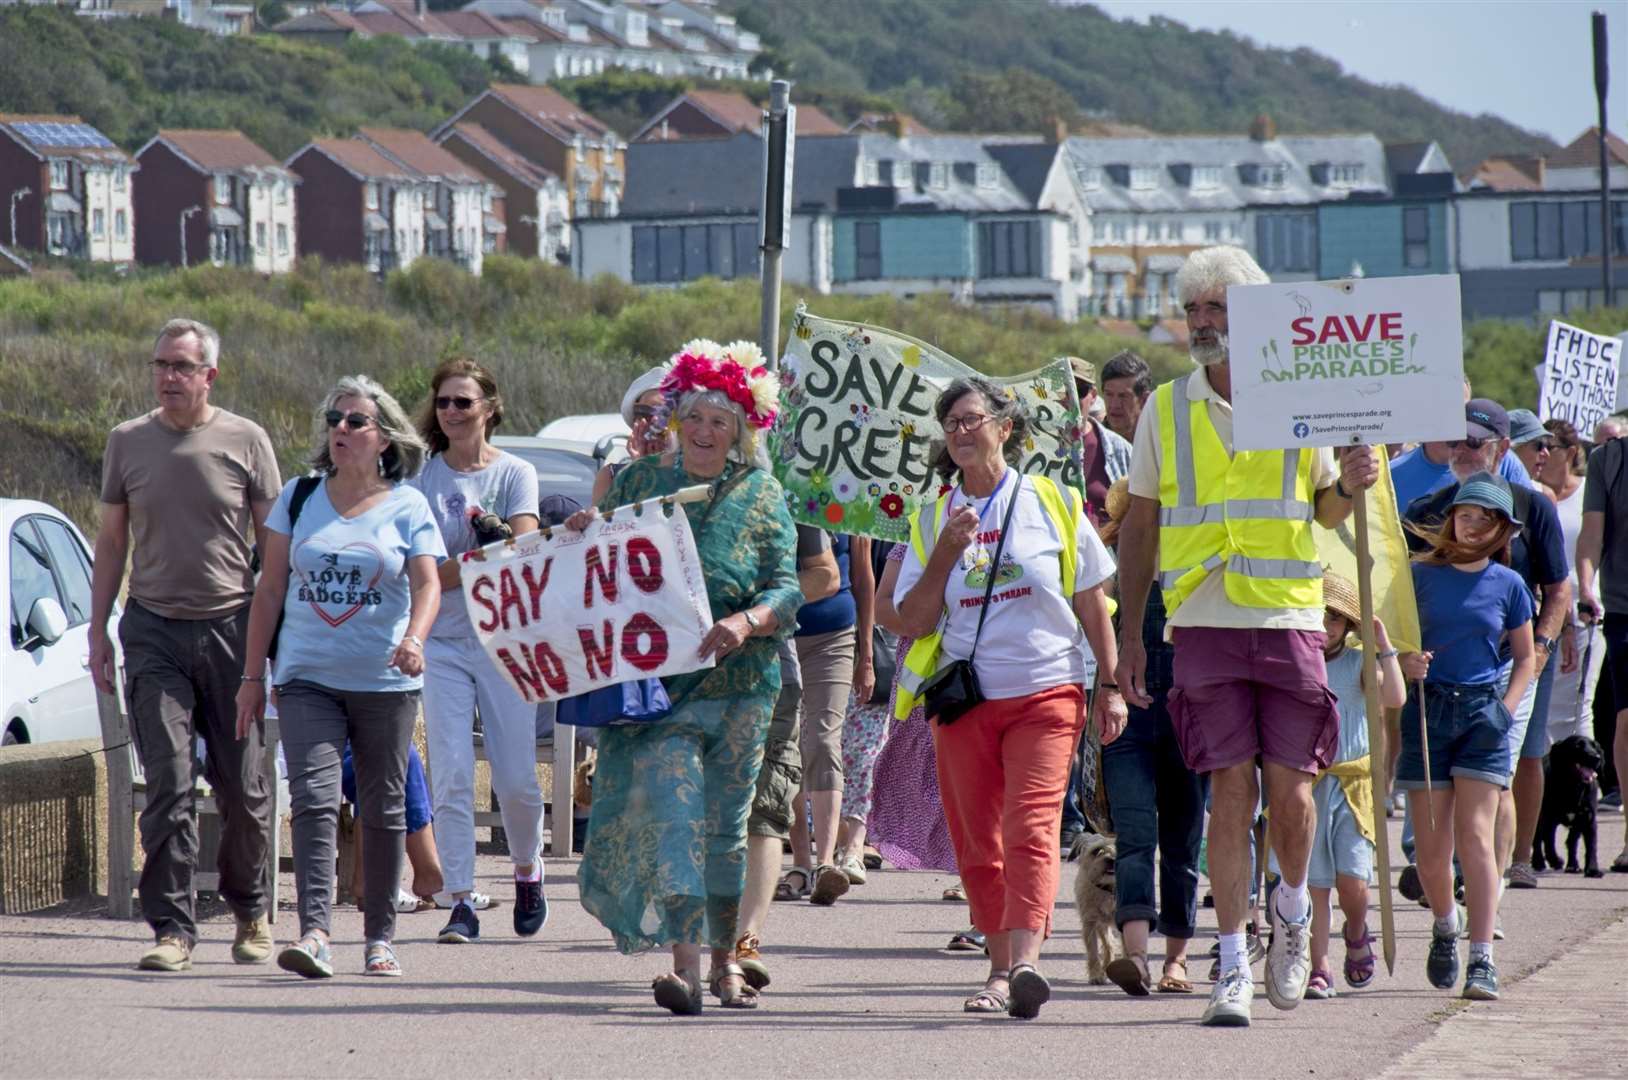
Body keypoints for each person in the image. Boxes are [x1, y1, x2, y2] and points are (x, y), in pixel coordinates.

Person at [1114, 246, 1380, 1027]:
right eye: (1194, 309)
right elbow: (1141, 526)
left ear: (1254, 317)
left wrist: (1350, 484)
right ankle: (1231, 960)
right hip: (1200, 618)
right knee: (1229, 791)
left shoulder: (1302, 391)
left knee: (1294, 793)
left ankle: (1292, 914)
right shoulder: (1165, 408)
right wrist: (1132, 633)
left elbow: (1324, 510)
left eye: (1218, 309)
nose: (1201, 322)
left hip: (1291, 615)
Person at [568, 339, 801, 1015]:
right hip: (660, 687)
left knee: (727, 828)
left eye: (719, 422)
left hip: (742, 686)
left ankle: (731, 964)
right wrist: (584, 531)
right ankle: (686, 969)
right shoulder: (641, 481)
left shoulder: (763, 493)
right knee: (674, 821)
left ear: (741, 431)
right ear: (676, 420)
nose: (704, 431)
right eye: (694, 417)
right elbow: (597, 566)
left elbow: (788, 586)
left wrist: (749, 622)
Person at [894, 375, 1125, 1021]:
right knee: (977, 843)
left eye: (972, 419)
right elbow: (910, 620)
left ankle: (1021, 964)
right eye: (951, 424)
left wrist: (1109, 685)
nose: (962, 432)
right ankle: (997, 969)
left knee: (1030, 828)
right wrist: (943, 554)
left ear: (1004, 425)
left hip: (1046, 692)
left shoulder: (1050, 499)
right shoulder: (931, 517)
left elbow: (1091, 600)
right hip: (965, 701)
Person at [88, 318, 283, 973]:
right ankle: (173, 928)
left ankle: (251, 912)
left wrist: (271, 636)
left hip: (231, 631)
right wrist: (98, 630)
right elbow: (112, 542)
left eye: (181, 366)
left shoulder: (246, 440)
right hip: (153, 631)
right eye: (160, 365)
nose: (168, 377)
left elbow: (274, 549)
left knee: (245, 789)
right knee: (169, 783)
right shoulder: (127, 443)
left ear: (209, 376)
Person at [234, 375, 443, 979]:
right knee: (315, 801)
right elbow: (269, 589)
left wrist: (414, 640)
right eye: (334, 419)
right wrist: (253, 675)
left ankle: (379, 936)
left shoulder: (408, 504)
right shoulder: (299, 497)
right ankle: (316, 933)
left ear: (384, 437)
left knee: (383, 808)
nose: (341, 430)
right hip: (306, 678)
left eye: (355, 421)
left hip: (387, 683)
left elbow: (428, 584)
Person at [1402, 399, 1570, 894]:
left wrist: (1539, 648)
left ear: (1499, 446)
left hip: (1508, 667)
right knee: (1440, 790)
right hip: (1439, 673)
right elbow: (1404, 597)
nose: (1462, 451)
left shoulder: (1532, 505)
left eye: (1473, 442)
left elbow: (1557, 588)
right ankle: (1444, 879)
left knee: (1495, 783)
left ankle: (1486, 894)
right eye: (1454, 441)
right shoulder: (1425, 512)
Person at [408, 358, 547, 945]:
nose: (452, 412)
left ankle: (527, 869)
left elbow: (526, 548)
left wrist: (469, 560)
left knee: (516, 778)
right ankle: (460, 900)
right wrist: (476, 560)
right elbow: (424, 574)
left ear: (489, 407)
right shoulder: (422, 481)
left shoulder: (516, 472)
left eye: (463, 402)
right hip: (443, 642)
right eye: (443, 402)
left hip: (505, 640)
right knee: (453, 773)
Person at [1397, 472, 1536, 1001]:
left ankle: (1483, 957)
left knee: (1476, 839)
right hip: (1427, 712)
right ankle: (1444, 924)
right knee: (1431, 855)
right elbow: (1394, 643)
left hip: (1483, 714)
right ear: (1452, 517)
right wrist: (1408, 662)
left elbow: (1525, 658)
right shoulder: (1420, 576)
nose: (1473, 524)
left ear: (1502, 529)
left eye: (1486, 518)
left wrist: (1505, 708)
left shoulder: (1510, 585)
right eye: (1466, 513)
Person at [1098, 480, 1207, 998]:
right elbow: (1089, 647)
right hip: (1128, 720)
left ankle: (1178, 959)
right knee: (1135, 836)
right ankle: (1136, 956)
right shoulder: (1107, 580)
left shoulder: (1201, 570)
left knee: (1183, 842)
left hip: (1192, 717)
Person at [1283, 572, 1406, 1000]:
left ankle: (1356, 930)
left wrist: (1383, 644)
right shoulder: (1296, 661)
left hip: (1353, 788)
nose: (1326, 624)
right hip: (1309, 784)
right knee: (1314, 884)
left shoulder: (1358, 663)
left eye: (1336, 617)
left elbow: (1394, 697)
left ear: (1348, 625)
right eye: (1319, 615)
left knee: (1352, 881)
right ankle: (1319, 967)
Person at [736, 528, 838, 989]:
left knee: (768, 805)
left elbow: (825, 576)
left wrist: (755, 612)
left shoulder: (788, 491)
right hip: (691, 670)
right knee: (699, 807)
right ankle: (695, 949)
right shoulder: (670, 481)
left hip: (770, 667)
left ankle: (746, 940)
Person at [1059, 356, 1133, 847]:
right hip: (1055, 584)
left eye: (1079, 389)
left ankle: (1092, 805)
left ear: (1092, 398)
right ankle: (1065, 810)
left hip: (1107, 583)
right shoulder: (1032, 449)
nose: (1070, 396)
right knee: (1062, 689)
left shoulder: (1118, 451)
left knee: (1099, 689)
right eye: (1060, 387)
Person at [787, 526, 863, 906]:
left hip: (833, 634)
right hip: (776, 632)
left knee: (821, 739)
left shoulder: (843, 498)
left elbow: (861, 576)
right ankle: (799, 863)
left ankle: (825, 863)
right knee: (786, 743)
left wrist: (867, 656)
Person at [1576, 421, 1628, 870]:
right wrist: (1586, 587)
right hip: (1622, 605)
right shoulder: (1608, 460)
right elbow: (1592, 533)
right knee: (1627, 716)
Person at [1539, 420, 1596, 745]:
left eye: (1552, 446)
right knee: (1541, 711)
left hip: (1583, 614)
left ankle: (1583, 787)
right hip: (1543, 612)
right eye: (1539, 446)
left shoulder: (1589, 493)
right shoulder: (1531, 492)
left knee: (1575, 708)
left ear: (1572, 452)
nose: (1544, 453)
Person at [592, 365, 674, 504]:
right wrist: (640, 469)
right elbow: (605, 523)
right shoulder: (610, 477)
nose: (655, 421)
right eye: (646, 413)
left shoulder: (694, 477)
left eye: (665, 414)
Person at [1100, 349, 1154, 445]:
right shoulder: (1093, 443)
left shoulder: (1158, 443)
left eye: (1123, 396)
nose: (1115, 404)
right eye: (1109, 394)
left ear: (1145, 400)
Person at [1506, 409, 1556, 499]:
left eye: (1547, 445)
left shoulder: (1544, 497)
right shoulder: (1484, 491)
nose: (1547, 453)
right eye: (1539, 445)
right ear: (1512, 448)